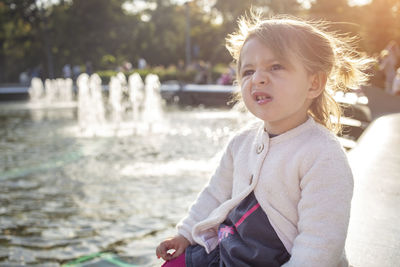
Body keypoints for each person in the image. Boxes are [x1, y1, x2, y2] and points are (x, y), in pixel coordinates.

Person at [156, 13, 373, 267]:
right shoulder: (242, 142)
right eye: (248, 71)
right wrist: (185, 233)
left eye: (276, 67)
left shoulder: (321, 154)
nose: (257, 78)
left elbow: (320, 242)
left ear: (314, 83)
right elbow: (215, 194)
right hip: (232, 251)